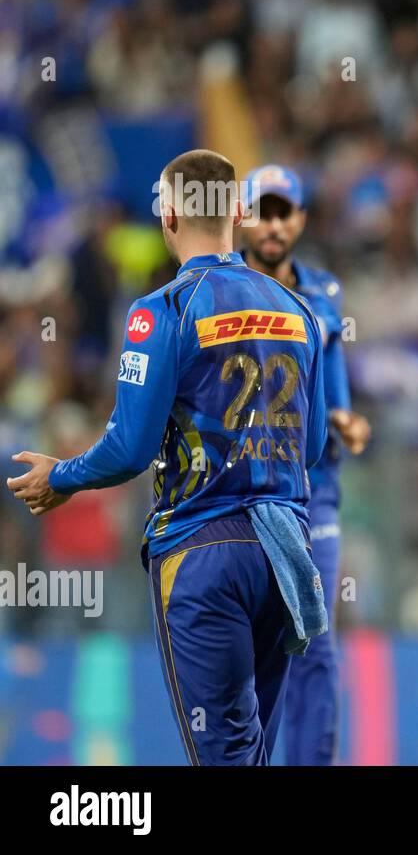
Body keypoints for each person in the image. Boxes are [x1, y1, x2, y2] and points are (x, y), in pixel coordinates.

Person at [7, 149, 328, 765]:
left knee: (224, 755)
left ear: (170, 216)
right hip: (285, 556)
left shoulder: (162, 312)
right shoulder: (298, 311)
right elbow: (310, 447)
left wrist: (63, 476)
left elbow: (130, 448)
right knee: (256, 753)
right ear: (238, 213)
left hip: (202, 550)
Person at [241, 164, 371, 766]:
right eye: (261, 212)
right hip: (238, 491)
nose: (272, 224)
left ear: (300, 220)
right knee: (248, 643)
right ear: (242, 219)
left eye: (282, 212)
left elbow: (335, 388)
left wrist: (345, 418)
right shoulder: (218, 290)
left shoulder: (324, 294)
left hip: (312, 490)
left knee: (315, 640)